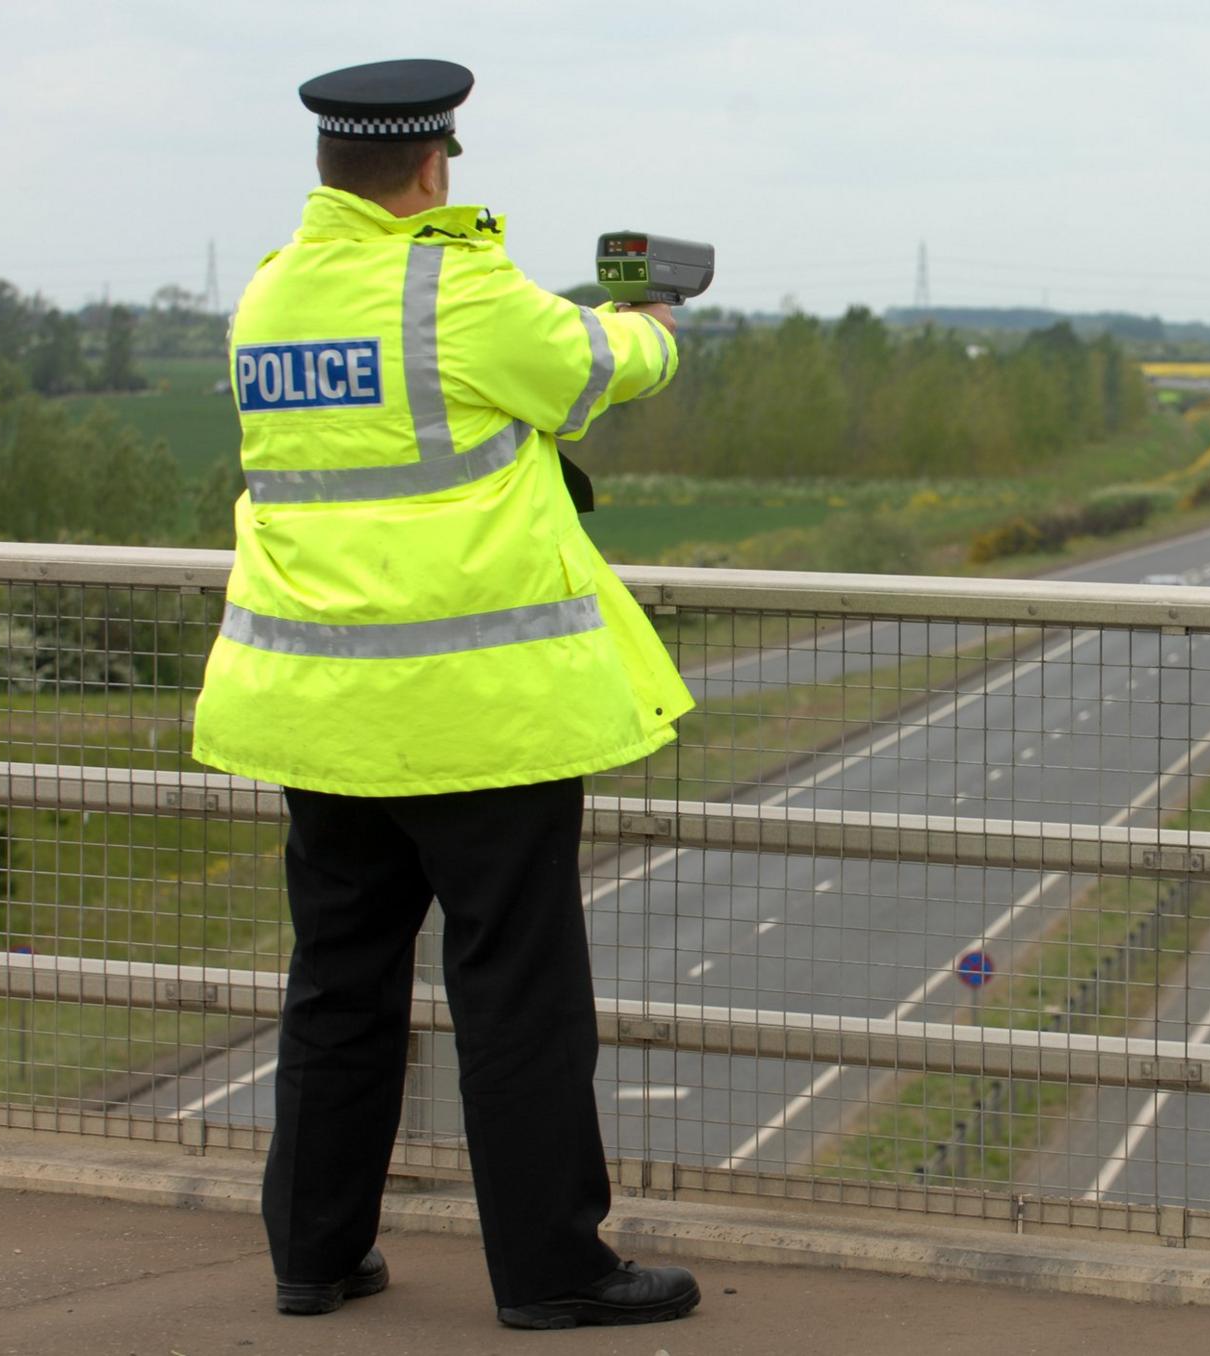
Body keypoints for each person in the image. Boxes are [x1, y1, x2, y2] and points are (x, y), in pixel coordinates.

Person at [190, 58, 700, 1331]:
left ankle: (314, 1255)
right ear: (431, 167)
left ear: (330, 169)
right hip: (481, 717)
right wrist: (660, 325)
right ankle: (553, 1272)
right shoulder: (453, 284)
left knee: (338, 982)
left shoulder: (265, 296)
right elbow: (596, 367)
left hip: (323, 709)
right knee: (515, 1000)